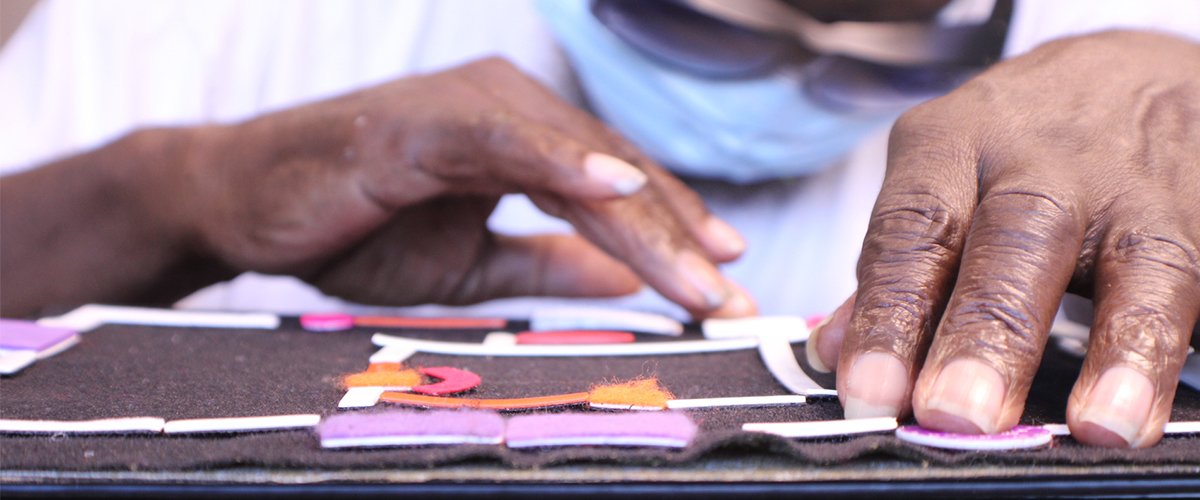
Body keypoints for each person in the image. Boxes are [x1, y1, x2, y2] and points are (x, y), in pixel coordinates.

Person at [1, 0, 1198, 449]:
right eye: (715, 19)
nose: (794, 72)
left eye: (882, 23)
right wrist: (175, 200)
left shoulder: (1143, 66)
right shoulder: (187, 32)